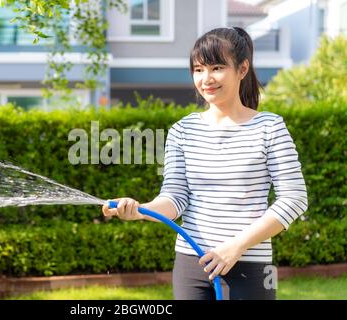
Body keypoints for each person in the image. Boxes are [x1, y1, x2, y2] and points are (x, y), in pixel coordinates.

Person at [102, 27, 308, 300]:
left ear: (242, 69)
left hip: (251, 265)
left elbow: (294, 198)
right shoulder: (182, 130)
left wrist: (236, 246)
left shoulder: (270, 127)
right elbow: (175, 198)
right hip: (192, 263)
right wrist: (141, 211)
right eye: (198, 69)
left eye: (217, 67)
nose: (206, 79)